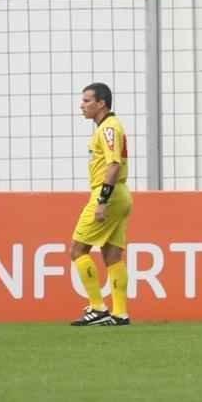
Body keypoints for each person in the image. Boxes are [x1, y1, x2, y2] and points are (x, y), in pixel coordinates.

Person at [69, 83, 133, 327]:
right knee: (112, 254)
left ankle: (97, 308)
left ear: (101, 103)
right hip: (122, 193)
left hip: (108, 193)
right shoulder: (108, 128)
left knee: (77, 250)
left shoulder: (108, 129)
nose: (81, 105)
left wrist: (102, 200)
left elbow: (113, 164)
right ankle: (120, 313)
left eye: (86, 101)